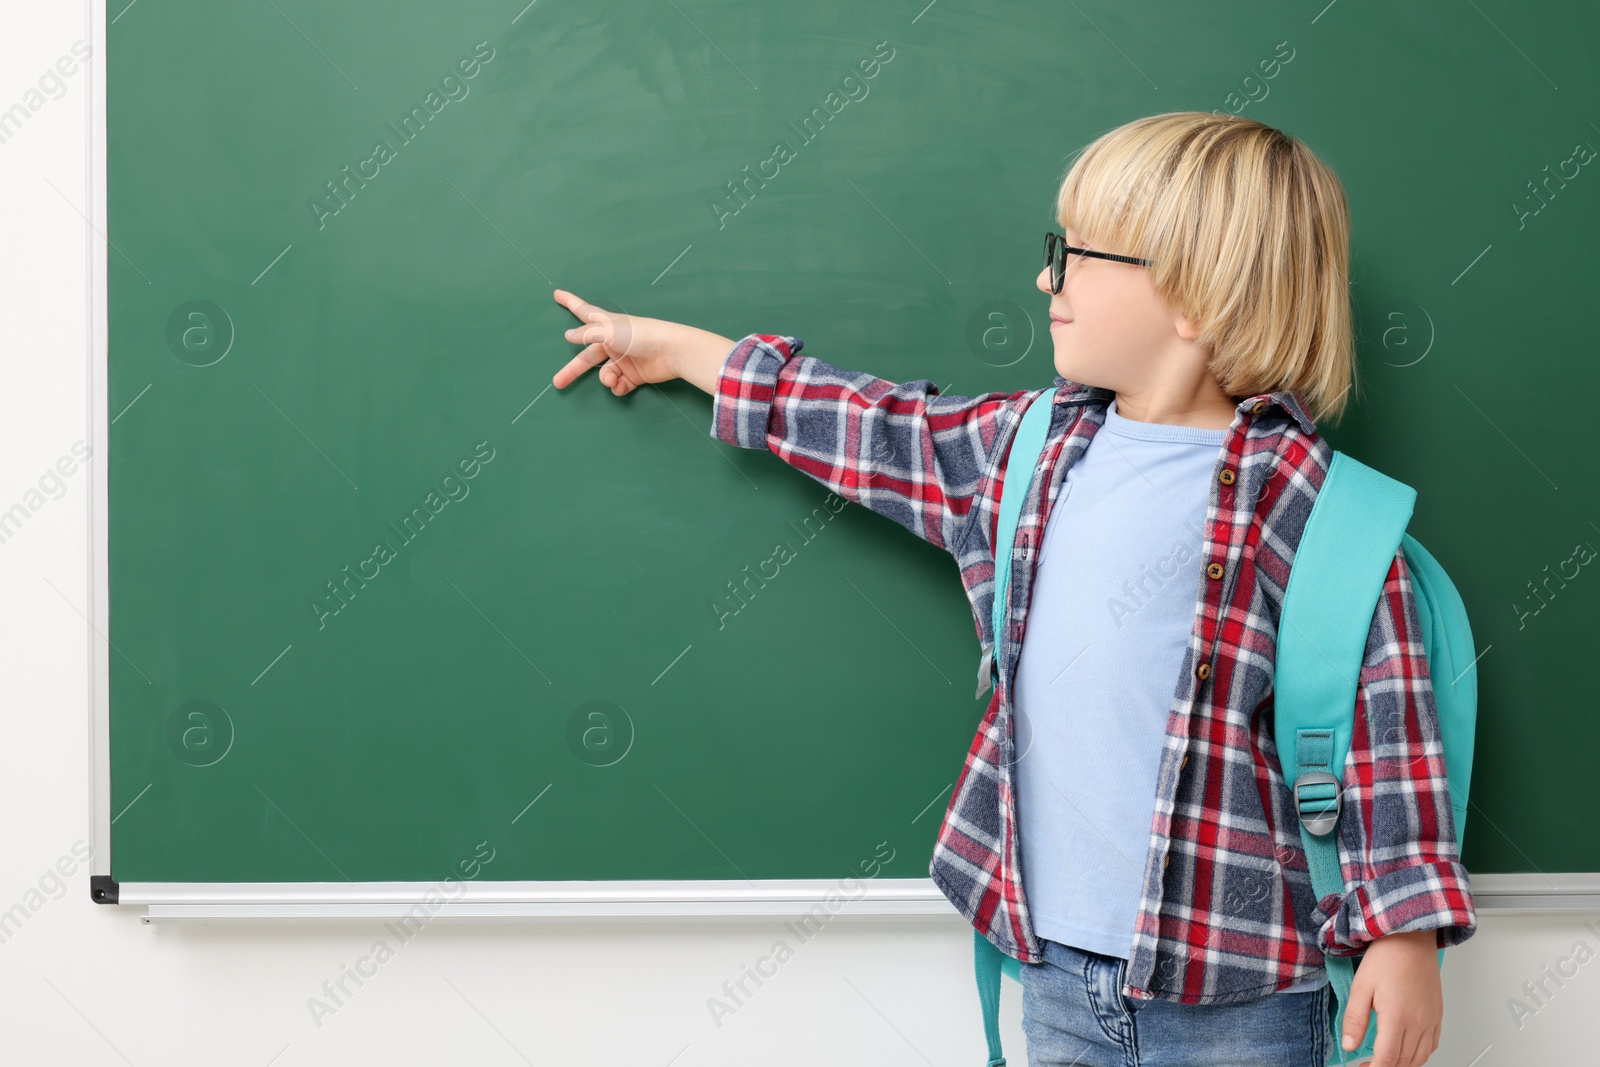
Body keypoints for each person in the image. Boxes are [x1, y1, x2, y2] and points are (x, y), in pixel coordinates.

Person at [550, 111, 1474, 1067]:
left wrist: (1402, 935)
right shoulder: (1029, 453)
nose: (1046, 277)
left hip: (1247, 991)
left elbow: (1389, 738)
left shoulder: (1320, 512)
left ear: (1196, 295)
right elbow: (874, 429)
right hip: (1056, 969)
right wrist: (681, 350)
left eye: (1073, 255)